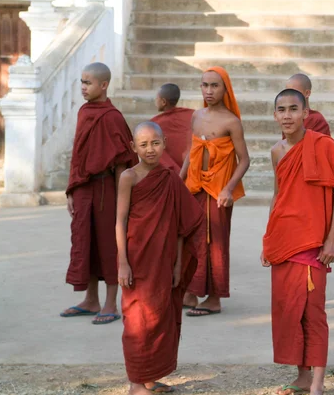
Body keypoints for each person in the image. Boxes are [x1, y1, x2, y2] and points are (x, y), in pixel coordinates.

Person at [261, 89, 334, 395]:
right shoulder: (277, 151)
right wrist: (268, 238)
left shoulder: (323, 145)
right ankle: (301, 376)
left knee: (313, 312)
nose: (287, 115)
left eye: (293, 109)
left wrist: (331, 240)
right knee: (289, 310)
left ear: (305, 112)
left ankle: (317, 382)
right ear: (274, 115)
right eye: (281, 110)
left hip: (314, 242)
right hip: (284, 240)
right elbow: (278, 195)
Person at [116, 121, 204, 395]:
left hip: (164, 258)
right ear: (133, 147)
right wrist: (122, 262)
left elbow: (180, 226)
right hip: (136, 258)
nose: (150, 149)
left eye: (155, 143)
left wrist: (179, 263)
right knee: (136, 319)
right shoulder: (128, 177)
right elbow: (119, 221)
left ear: (164, 142)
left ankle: (150, 378)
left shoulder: (170, 179)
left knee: (160, 315)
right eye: (143, 145)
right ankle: (135, 383)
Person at [61, 62, 138, 325]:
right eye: (81, 82)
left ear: (103, 85)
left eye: (88, 82)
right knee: (85, 241)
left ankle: (110, 303)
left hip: (107, 189)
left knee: (108, 245)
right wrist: (72, 189)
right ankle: (90, 299)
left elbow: (121, 160)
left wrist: (121, 200)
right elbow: (78, 153)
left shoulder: (112, 116)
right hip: (84, 186)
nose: (83, 87)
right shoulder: (84, 112)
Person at [180, 66, 250, 316]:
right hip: (194, 186)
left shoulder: (231, 122)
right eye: (204, 85)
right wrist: (180, 181)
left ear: (225, 89)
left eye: (214, 85)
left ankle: (214, 298)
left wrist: (228, 189)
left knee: (215, 243)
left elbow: (244, 160)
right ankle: (189, 292)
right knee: (191, 240)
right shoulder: (196, 116)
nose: (208, 91)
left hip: (218, 190)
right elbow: (191, 152)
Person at [151, 83, 194, 169]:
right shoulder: (190, 114)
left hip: (173, 170)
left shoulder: (155, 124)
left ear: (163, 102)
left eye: (157, 98)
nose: (155, 100)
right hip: (189, 165)